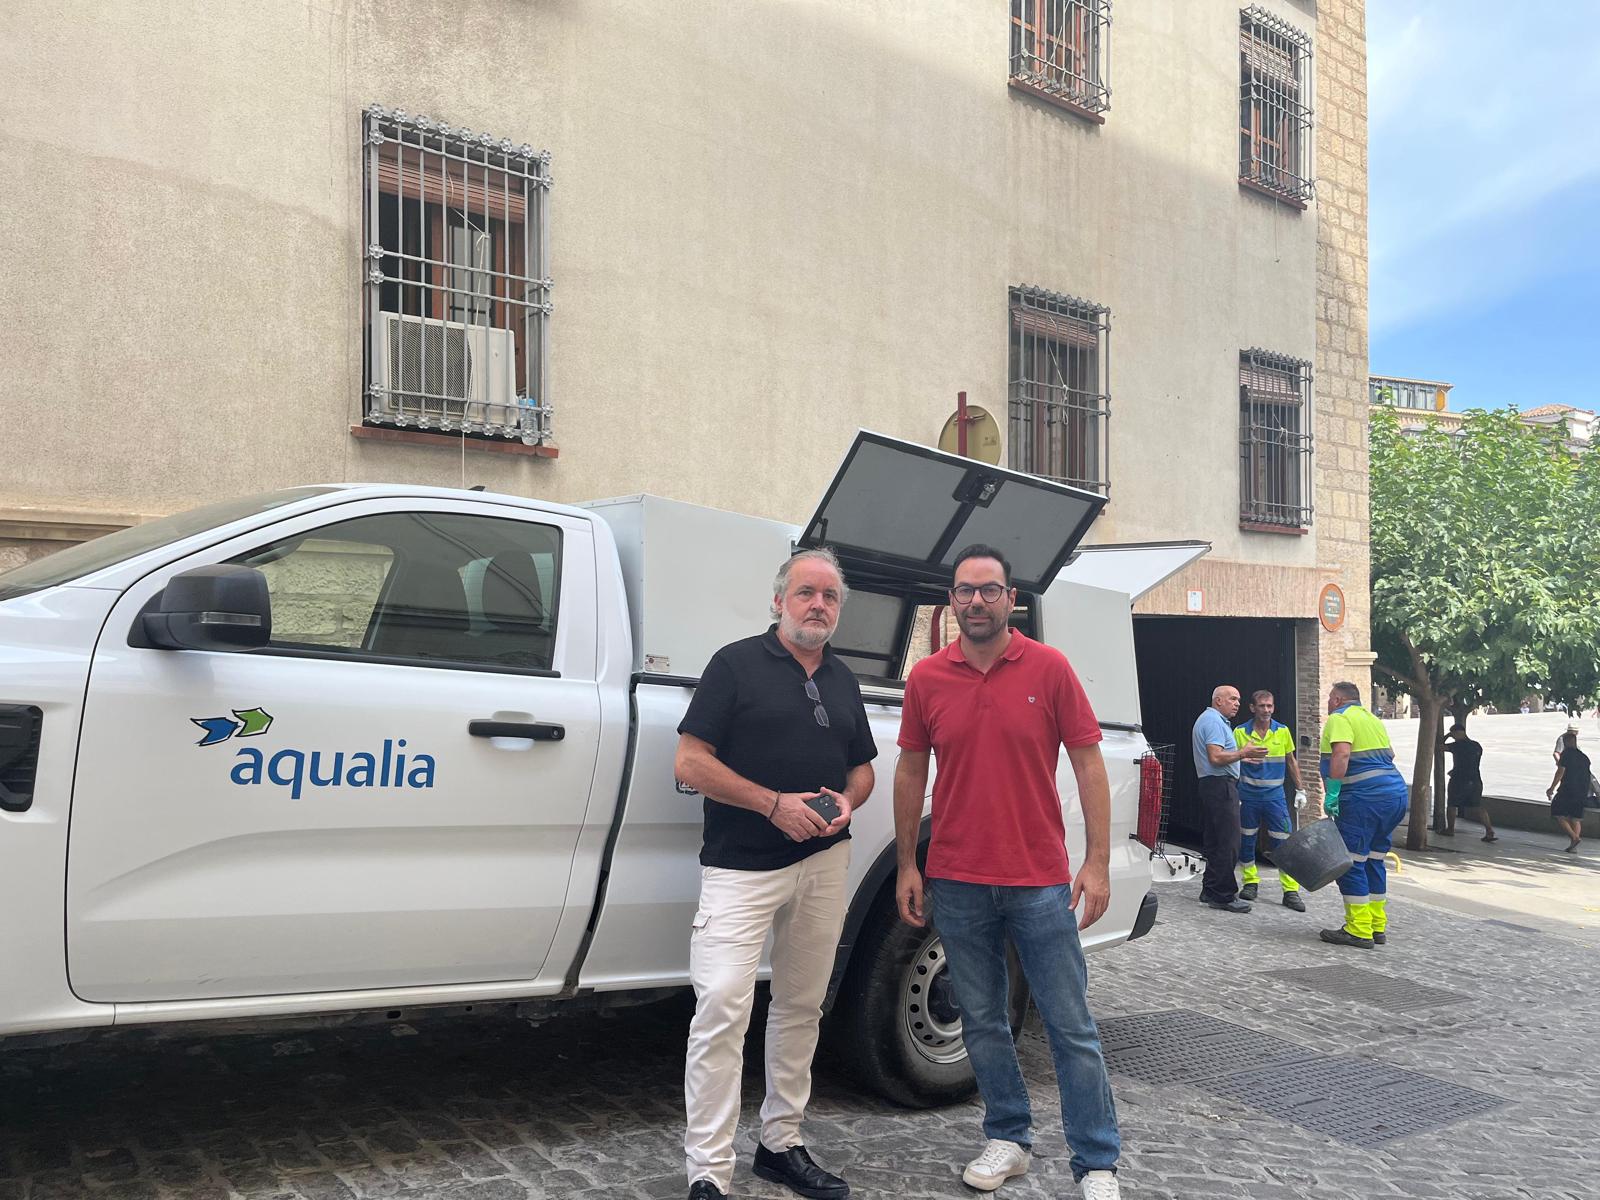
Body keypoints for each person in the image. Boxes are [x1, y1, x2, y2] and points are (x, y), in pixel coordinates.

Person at [894, 544, 1124, 1200]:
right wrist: (908, 863)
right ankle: (1009, 1138)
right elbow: (910, 769)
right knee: (983, 1020)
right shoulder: (927, 678)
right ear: (951, 600)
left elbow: (1088, 763)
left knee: (1070, 1025)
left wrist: (1098, 862)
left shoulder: (1050, 669)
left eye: (989, 590)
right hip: (957, 879)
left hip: (1039, 881)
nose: (976, 601)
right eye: (965, 591)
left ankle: (1097, 1163)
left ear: (1011, 599)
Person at [674, 548, 877, 1200]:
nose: (818, 605)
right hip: (741, 868)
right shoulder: (734, 665)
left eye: (830, 596)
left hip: (825, 862)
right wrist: (772, 805)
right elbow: (689, 763)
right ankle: (708, 1171)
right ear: (778, 600)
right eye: (806, 592)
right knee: (721, 1006)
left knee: (801, 1006)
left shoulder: (843, 679)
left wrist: (849, 800)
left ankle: (781, 1144)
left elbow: (863, 768)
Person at [1318, 682, 1410, 948]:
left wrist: (1333, 792)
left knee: (1350, 862)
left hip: (1364, 800)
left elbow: (1342, 753)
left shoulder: (1340, 718)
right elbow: (1389, 755)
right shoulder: (1372, 719)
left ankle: (1358, 929)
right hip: (1394, 796)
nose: (1328, 703)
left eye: (1329, 698)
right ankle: (1376, 925)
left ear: (1337, 700)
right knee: (1373, 860)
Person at [1193, 686, 1269, 913]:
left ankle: (1210, 889)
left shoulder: (1210, 720)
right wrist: (1243, 753)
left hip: (1213, 785)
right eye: (1233, 699)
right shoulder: (1214, 722)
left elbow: (1220, 756)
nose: (1237, 704)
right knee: (1229, 841)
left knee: (1215, 840)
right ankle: (1223, 895)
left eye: (1238, 699)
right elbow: (1216, 757)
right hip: (1220, 786)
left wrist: (1240, 759)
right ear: (1218, 701)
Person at [1232, 690, 1308, 911]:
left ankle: (1290, 890)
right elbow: (1230, 762)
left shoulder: (1282, 731)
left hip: (1275, 798)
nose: (1266, 710)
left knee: (1283, 843)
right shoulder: (1239, 732)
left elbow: (1291, 761)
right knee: (1247, 840)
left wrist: (1300, 789)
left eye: (1270, 706)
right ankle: (1250, 882)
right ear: (1252, 708)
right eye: (1262, 706)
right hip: (1248, 796)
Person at [1441, 723, 1496, 841]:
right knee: (1477, 806)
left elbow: (1438, 747)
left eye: (1453, 735)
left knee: (1452, 804)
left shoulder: (1457, 745)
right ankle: (1489, 830)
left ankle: (1450, 829)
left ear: (1456, 733)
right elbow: (1469, 761)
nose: (1453, 737)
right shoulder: (1477, 746)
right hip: (1475, 779)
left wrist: (1446, 736)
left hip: (1459, 780)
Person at [1546, 730, 1589, 852]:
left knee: (1558, 812)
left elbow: (1560, 772)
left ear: (1567, 742)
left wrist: (1551, 788)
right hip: (1583, 791)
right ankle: (1573, 846)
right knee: (1575, 818)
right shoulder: (1584, 757)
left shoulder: (1566, 755)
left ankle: (1574, 837)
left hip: (1568, 789)